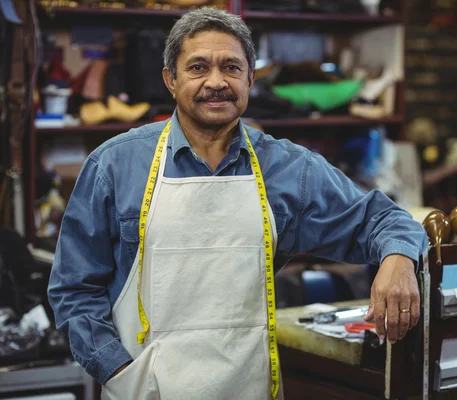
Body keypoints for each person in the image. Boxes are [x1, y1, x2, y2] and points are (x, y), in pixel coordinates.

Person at [47, 7, 428, 400]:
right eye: (197, 67)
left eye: (231, 67)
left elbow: (385, 220)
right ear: (170, 80)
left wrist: (398, 260)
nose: (216, 81)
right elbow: (73, 290)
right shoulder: (114, 165)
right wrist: (119, 371)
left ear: (249, 78)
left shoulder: (290, 170)